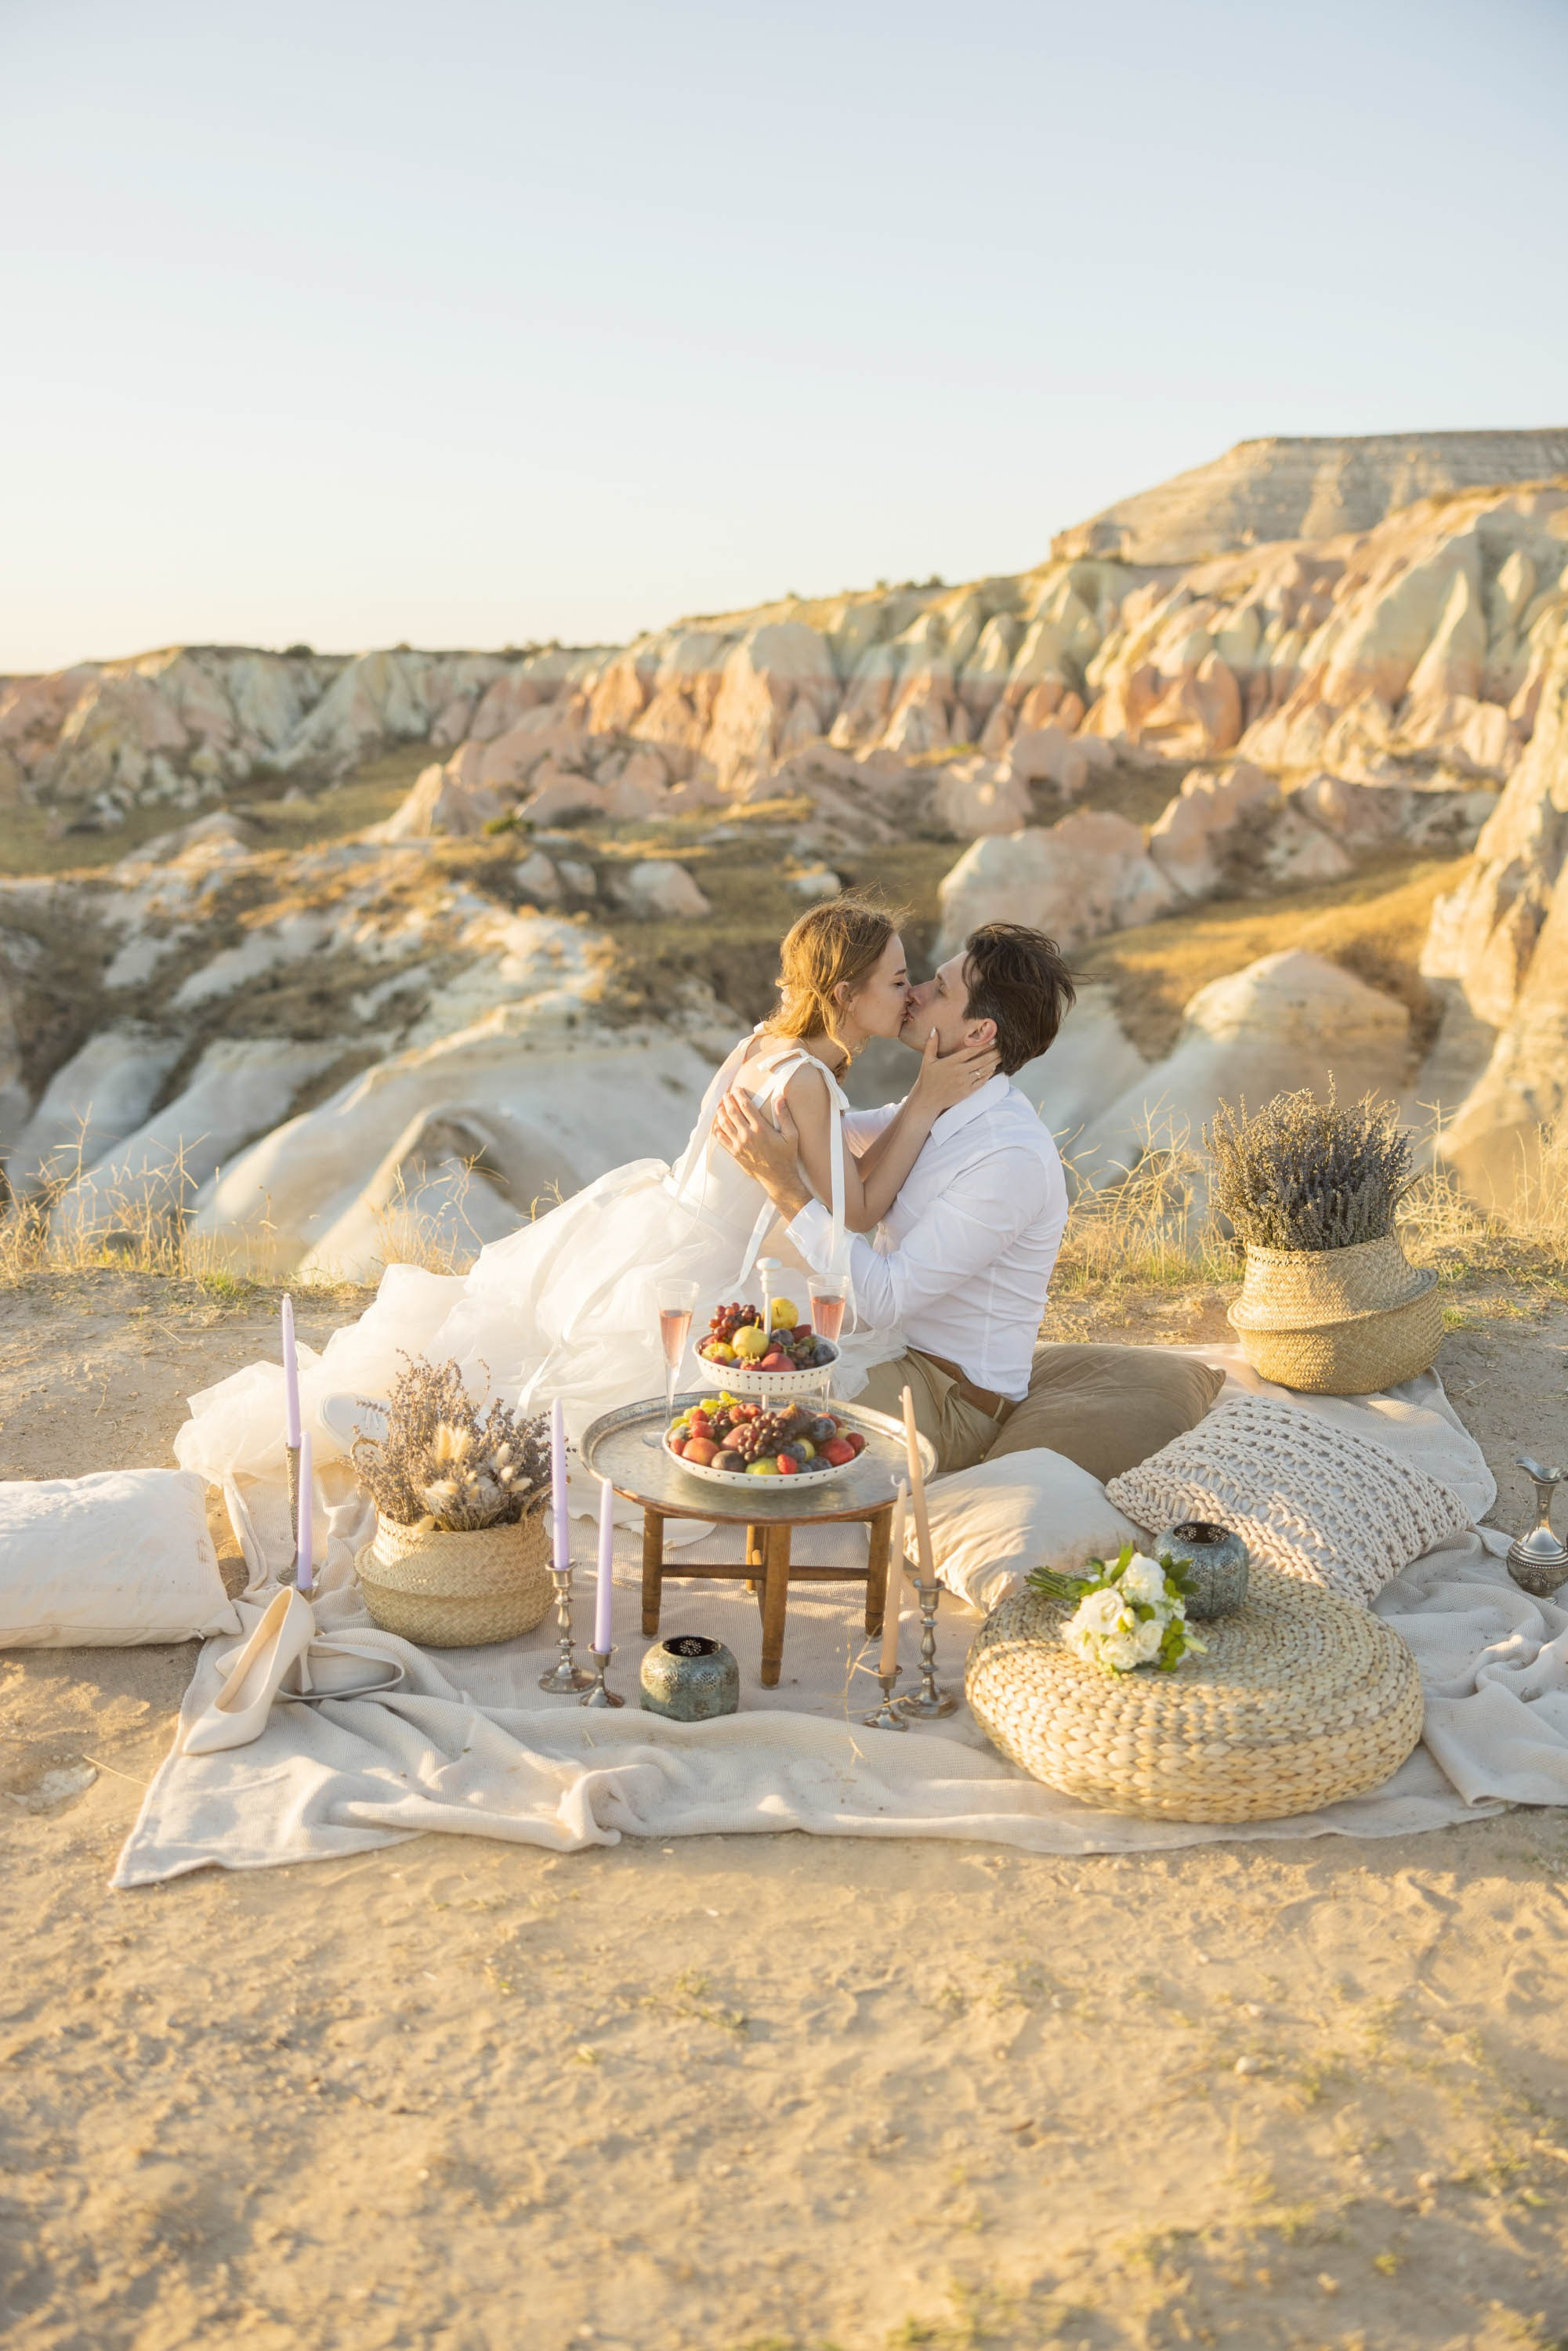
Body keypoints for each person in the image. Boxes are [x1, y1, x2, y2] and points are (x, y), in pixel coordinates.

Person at [175, 896, 998, 1489]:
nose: (910, 994)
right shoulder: (810, 1081)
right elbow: (855, 1211)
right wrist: (925, 1105)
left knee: (550, 1366)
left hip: (652, 1227)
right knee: (591, 1409)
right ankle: (437, 1441)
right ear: (846, 994)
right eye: (897, 980)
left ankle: (424, 1422)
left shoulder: (762, 1047)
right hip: (701, 1266)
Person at [713, 922, 1075, 1475]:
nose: (916, 994)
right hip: (891, 1353)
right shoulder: (944, 1104)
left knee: (743, 1419)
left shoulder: (1007, 1158)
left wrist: (784, 1187)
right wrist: (781, 1076)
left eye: (939, 989)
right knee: (721, 1373)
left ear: (979, 1032)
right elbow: (827, 1138)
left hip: (951, 1398)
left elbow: (883, 1297)